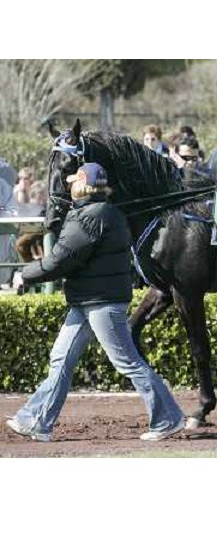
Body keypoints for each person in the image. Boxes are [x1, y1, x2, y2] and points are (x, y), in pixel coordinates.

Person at [5, 163, 185, 442]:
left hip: (101, 303)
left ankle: (169, 418)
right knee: (60, 360)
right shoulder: (104, 212)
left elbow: (59, 259)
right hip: (89, 300)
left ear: (84, 185)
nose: (68, 186)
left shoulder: (89, 216)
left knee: (127, 362)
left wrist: (24, 275)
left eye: (73, 182)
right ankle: (37, 421)